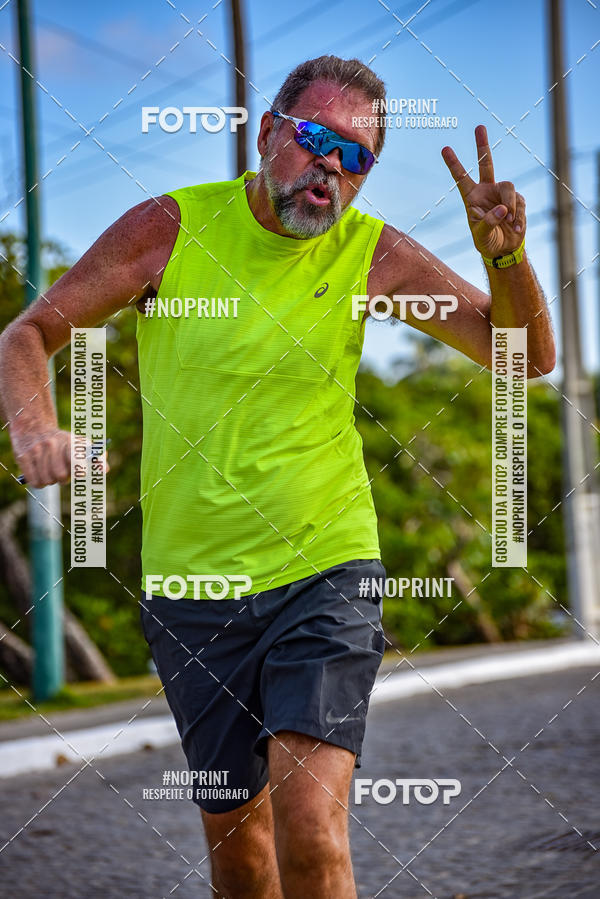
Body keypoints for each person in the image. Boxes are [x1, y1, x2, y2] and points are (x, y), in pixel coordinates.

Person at [0, 55, 554, 898]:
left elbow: (527, 359)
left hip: (325, 567)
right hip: (191, 586)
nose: (330, 165)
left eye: (355, 156)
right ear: (269, 135)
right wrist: (36, 427)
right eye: (315, 139)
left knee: (311, 823)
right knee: (242, 854)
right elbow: (29, 333)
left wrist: (505, 261)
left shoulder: (377, 256)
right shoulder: (168, 230)